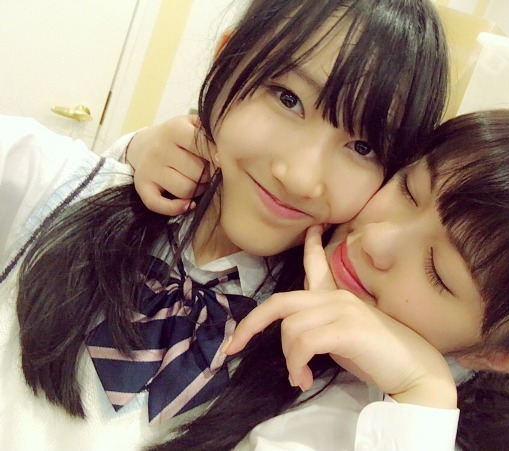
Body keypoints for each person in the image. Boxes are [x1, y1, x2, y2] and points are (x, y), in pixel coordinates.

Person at [0, 0, 450, 450]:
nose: (300, 177)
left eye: (363, 147)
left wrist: (427, 393)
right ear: (226, 58)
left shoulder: (328, 375)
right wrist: (126, 155)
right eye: (288, 99)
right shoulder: (51, 185)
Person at [131, 110, 509, 451]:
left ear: (496, 356)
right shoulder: (289, 238)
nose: (375, 239)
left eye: (438, 272)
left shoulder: (426, 429)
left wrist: (422, 395)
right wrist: (142, 153)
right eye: (409, 190)